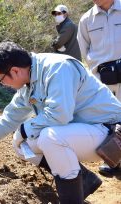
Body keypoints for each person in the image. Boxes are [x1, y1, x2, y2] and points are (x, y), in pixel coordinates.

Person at [0, 41, 121, 204]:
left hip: (109, 133)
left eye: (1, 79)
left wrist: (24, 129)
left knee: (50, 137)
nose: (3, 84)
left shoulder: (58, 68)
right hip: (85, 133)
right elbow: (9, 118)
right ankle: (83, 182)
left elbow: (59, 115)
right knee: (22, 144)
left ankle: (71, 200)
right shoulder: (28, 82)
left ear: (14, 70)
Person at [77, 0, 121, 175]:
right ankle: (114, 161)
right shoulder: (86, 19)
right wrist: (98, 70)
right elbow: (84, 50)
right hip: (104, 78)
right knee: (109, 120)